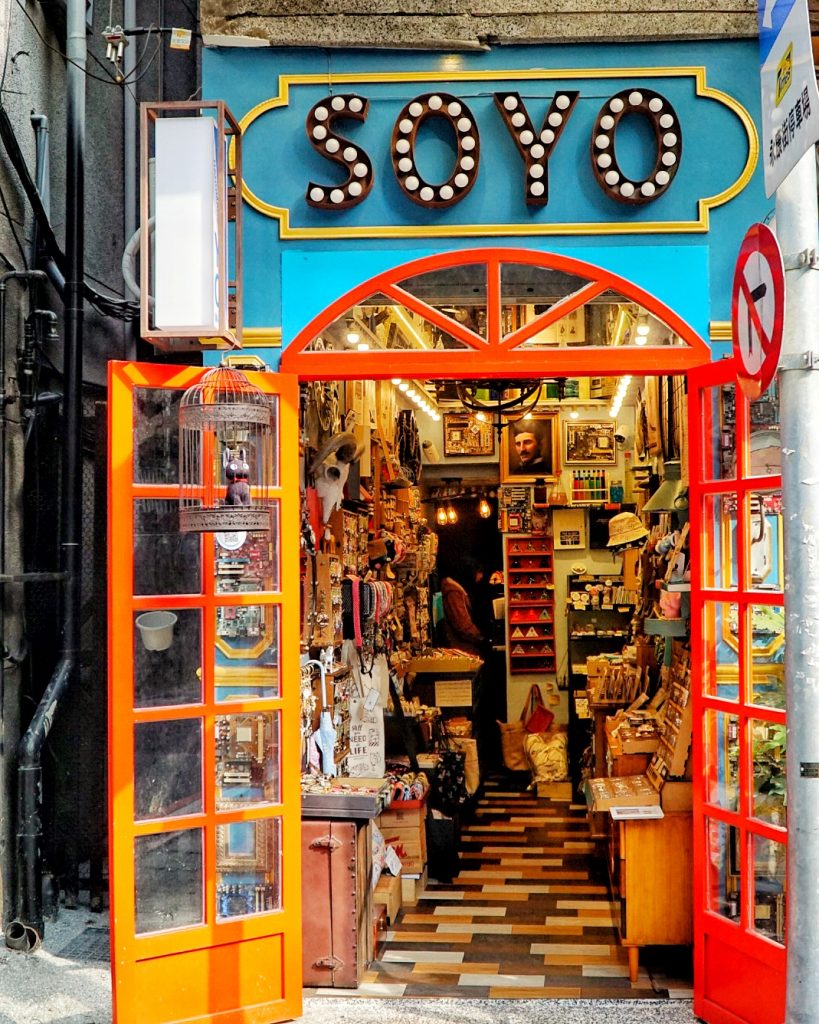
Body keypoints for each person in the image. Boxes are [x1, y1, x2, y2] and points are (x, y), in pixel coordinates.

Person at [440, 559, 486, 657]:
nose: (481, 576)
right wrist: (481, 638)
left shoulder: (457, 590)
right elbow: (462, 624)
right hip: (462, 649)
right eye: (479, 572)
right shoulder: (454, 592)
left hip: (464, 646)